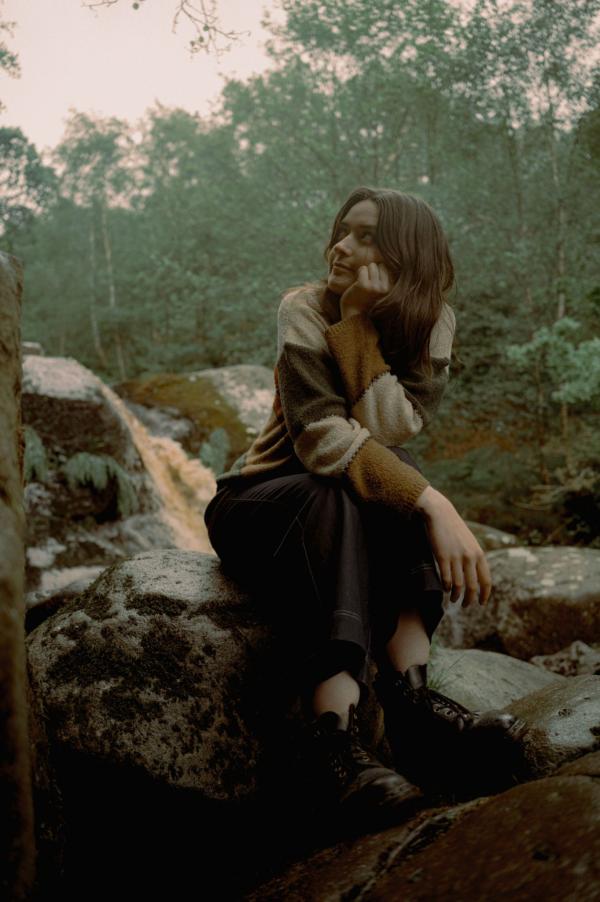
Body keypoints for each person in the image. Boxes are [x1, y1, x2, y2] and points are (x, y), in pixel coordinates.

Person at [203, 186, 524, 828]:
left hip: (341, 502)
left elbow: (393, 426)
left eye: (365, 236)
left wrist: (362, 328)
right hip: (259, 503)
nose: (341, 246)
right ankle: (334, 742)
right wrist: (435, 504)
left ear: (406, 252)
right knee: (345, 488)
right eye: (342, 231)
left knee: (387, 472)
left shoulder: (435, 322)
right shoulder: (303, 308)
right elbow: (321, 442)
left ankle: (413, 707)